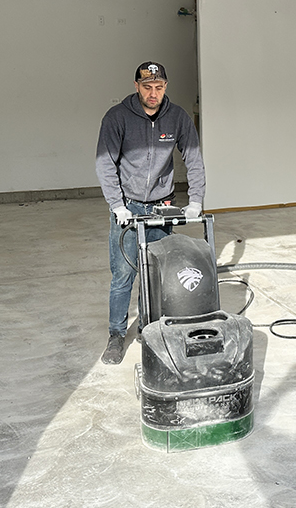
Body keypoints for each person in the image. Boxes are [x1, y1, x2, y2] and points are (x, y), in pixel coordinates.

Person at [95, 61, 206, 365]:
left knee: (155, 273)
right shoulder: (117, 117)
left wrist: (195, 200)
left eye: (158, 87)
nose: (153, 93)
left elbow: (193, 158)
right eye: (147, 87)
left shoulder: (178, 117)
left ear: (165, 87)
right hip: (128, 207)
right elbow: (105, 164)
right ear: (137, 86)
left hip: (162, 206)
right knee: (124, 274)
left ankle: (149, 328)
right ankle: (117, 335)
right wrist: (117, 205)